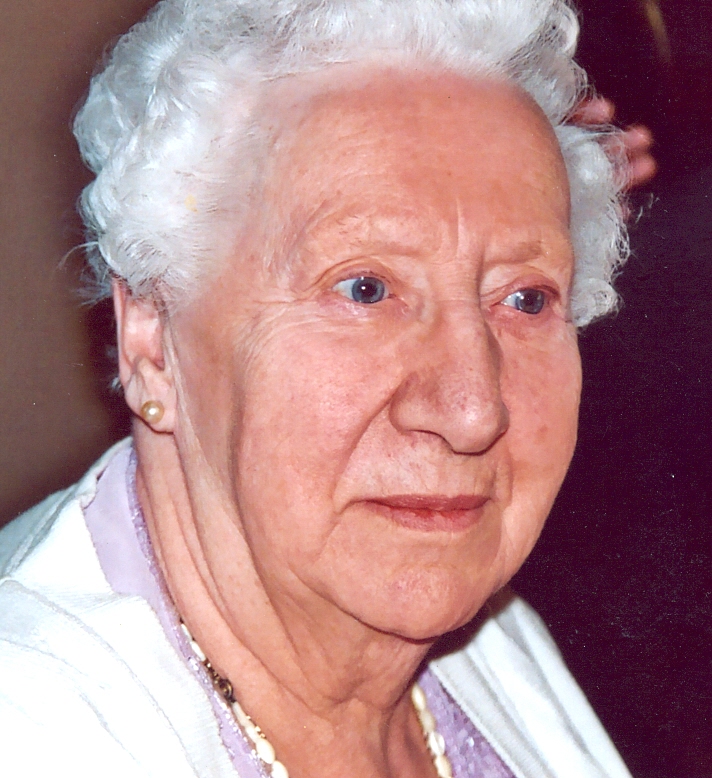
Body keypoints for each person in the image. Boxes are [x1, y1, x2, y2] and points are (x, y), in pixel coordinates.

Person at [0, 1, 638, 776]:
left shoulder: (494, 647)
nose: (473, 411)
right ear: (151, 334)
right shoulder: (31, 731)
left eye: (526, 299)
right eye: (366, 289)